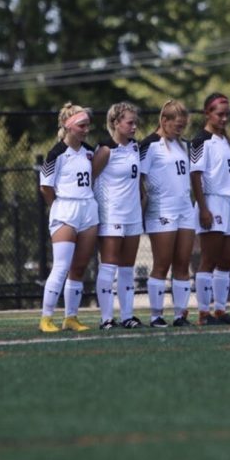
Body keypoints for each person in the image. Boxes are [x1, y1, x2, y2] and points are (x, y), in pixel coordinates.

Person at [38, 102, 98, 333]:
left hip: (88, 210)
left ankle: (71, 317)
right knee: (61, 267)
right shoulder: (56, 154)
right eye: (82, 125)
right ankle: (46, 318)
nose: (86, 130)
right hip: (65, 210)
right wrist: (58, 207)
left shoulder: (89, 151)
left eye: (87, 126)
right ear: (69, 126)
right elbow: (45, 187)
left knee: (79, 267)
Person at [139, 100, 195, 327]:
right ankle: (156, 315)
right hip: (161, 209)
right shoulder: (149, 145)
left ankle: (180, 315)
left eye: (183, 126)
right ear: (164, 121)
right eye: (177, 125)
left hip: (185, 209)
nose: (180, 129)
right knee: (162, 264)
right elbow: (138, 179)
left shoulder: (183, 146)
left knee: (183, 264)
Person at [190, 92, 230, 325]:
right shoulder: (201, 140)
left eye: (227, 114)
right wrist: (203, 208)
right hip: (211, 202)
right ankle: (203, 312)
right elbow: (196, 176)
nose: (224, 119)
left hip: (229, 203)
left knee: (225, 259)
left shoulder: (225, 141)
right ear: (207, 113)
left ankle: (220, 309)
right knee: (209, 259)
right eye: (219, 114)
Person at [92, 102, 143, 330]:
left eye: (135, 122)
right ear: (115, 123)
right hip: (111, 214)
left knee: (127, 268)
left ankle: (127, 316)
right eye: (129, 122)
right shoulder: (105, 150)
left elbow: (139, 180)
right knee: (109, 266)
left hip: (133, 215)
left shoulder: (135, 147)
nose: (134, 127)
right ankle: (106, 318)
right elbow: (91, 180)